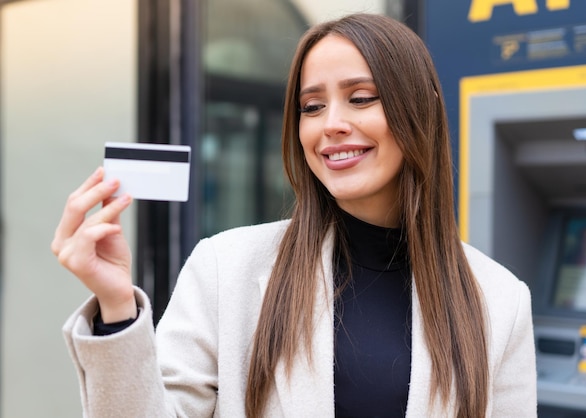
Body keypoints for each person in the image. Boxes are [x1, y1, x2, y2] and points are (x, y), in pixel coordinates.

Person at [52, 13, 537, 418]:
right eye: (312, 106)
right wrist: (117, 309)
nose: (331, 125)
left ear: (421, 111)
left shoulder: (501, 300)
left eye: (361, 98)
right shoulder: (225, 267)